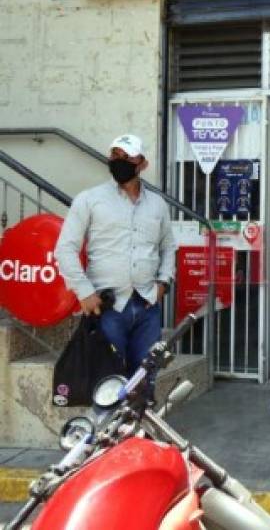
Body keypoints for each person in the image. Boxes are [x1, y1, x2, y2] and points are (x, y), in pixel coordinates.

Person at [55, 134, 176, 401]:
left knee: (145, 378)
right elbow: (65, 248)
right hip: (107, 308)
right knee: (106, 381)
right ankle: (107, 437)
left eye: (127, 157)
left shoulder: (158, 205)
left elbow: (168, 247)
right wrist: (84, 291)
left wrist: (163, 282)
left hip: (147, 307)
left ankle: (138, 434)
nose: (119, 162)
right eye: (115, 156)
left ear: (142, 164)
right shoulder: (89, 200)